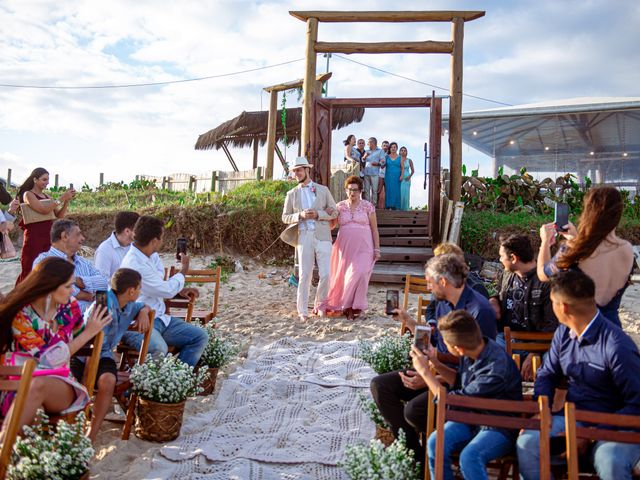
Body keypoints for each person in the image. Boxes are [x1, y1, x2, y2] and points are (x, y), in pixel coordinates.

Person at [370, 254, 498, 468]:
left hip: (462, 383)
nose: (428, 287)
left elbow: (476, 365)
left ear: (443, 282)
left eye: (430, 282)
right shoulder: (443, 302)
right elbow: (435, 343)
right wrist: (409, 322)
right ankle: (415, 457)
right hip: (436, 369)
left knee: (414, 411)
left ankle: (439, 458)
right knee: (381, 385)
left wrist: (430, 376)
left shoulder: (479, 309)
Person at [517, 270, 640, 480]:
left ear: (562, 307)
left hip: (617, 427)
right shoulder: (563, 333)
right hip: (572, 419)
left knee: (610, 459)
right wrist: (543, 408)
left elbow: (636, 403)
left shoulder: (617, 346)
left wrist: (593, 432)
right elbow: (547, 374)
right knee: (527, 443)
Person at [0, 257, 111, 443]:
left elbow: (75, 343)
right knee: (35, 416)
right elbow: (49, 358)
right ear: (50, 287)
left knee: (38, 385)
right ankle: (18, 464)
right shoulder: (23, 314)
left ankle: (3, 446)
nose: (73, 291)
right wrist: (88, 332)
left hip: (59, 383)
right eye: (68, 286)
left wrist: (90, 330)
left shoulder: (70, 308)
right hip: (15, 384)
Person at [410, 310, 522, 480]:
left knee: (470, 457)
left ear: (458, 349)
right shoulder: (476, 348)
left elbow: (452, 402)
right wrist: (436, 362)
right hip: (471, 418)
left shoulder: (495, 370)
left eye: (445, 343)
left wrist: (425, 373)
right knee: (435, 443)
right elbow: (459, 382)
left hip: (498, 426)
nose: (444, 346)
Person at [72, 267, 150, 443]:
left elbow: (144, 305)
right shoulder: (102, 304)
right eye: (139, 288)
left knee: (108, 380)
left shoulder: (128, 305)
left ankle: (92, 434)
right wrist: (87, 379)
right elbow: (92, 343)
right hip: (82, 353)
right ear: (131, 291)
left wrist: (144, 312)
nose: (140, 292)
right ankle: (74, 428)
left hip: (103, 353)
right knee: (76, 385)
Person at [537, 186, 634, 327]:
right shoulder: (627, 249)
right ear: (618, 213)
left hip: (580, 330)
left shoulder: (573, 248)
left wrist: (545, 242)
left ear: (588, 211)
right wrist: (575, 239)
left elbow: (543, 274)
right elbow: (600, 259)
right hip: (611, 329)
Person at [120, 215, 208, 366]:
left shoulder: (150, 256)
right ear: (154, 241)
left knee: (199, 337)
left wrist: (179, 289)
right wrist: (184, 270)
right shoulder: (135, 263)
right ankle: (150, 387)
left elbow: (159, 285)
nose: (162, 241)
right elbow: (165, 290)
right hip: (138, 323)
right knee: (159, 348)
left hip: (159, 318)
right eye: (161, 238)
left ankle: (177, 381)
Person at [492, 234, 558, 378]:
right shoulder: (508, 274)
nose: (500, 260)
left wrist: (534, 352)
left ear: (514, 258)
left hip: (541, 345)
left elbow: (553, 327)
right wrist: (494, 301)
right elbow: (499, 295)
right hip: (506, 340)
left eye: (502, 256)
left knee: (552, 364)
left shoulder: (546, 282)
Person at [281, 157, 338, 321]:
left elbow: (334, 211)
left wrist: (319, 214)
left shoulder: (323, 190)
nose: (297, 173)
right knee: (305, 275)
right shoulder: (291, 194)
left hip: (323, 236)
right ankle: (302, 310)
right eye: (295, 170)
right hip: (304, 236)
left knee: (326, 274)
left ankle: (320, 305)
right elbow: (284, 217)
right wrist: (300, 215)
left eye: (299, 170)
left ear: (307, 170)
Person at [319, 176, 380, 320]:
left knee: (360, 273)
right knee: (345, 277)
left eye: (355, 190)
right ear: (346, 190)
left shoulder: (368, 206)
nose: (352, 193)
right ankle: (349, 307)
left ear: (361, 191)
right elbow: (331, 226)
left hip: (364, 246)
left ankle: (357, 305)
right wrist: (327, 214)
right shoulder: (339, 206)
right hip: (344, 247)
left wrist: (377, 248)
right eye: (350, 190)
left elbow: (375, 229)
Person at [15, 168, 75, 284]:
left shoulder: (46, 196)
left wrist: (66, 201)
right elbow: (43, 210)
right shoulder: (28, 194)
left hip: (48, 236)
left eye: (48, 179)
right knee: (30, 268)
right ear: (35, 180)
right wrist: (61, 198)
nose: (47, 182)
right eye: (44, 179)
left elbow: (59, 215)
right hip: (34, 237)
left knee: (45, 268)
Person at [33, 219, 109, 312]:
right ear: (64, 236)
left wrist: (78, 280)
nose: (83, 238)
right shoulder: (43, 261)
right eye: (78, 234)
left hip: (94, 320)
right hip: (61, 323)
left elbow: (104, 283)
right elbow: (59, 292)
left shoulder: (84, 262)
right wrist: (90, 296)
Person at [94, 211, 140, 279]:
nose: (142, 231)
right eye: (139, 228)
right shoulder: (104, 250)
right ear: (127, 231)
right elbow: (102, 282)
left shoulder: (138, 246)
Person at [362, 137, 385, 205]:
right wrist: (364, 157)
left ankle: (374, 205)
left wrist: (378, 163)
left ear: (373, 143)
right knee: (366, 190)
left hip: (375, 173)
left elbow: (383, 162)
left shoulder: (380, 151)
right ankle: (367, 205)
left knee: (374, 190)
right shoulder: (367, 151)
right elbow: (363, 160)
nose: (368, 144)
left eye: (369, 142)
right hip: (366, 172)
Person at [384, 142, 402, 210]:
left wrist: (401, 176)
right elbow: (383, 165)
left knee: (396, 190)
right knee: (388, 190)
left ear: (396, 148)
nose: (393, 148)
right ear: (390, 148)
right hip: (388, 176)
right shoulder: (387, 156)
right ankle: (388, 206)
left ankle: (396, 206)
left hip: (397, 176)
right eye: (391, 147)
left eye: (394, 147)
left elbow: (402, 168)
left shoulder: (400, 157)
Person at [399, 146, 414, 211]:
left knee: (406, 193)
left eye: (404, 150)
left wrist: (409, 176)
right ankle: (399, 208)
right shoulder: (398, 159)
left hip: (407, 179)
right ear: (399, 152)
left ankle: (406, 208)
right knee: (400, 193)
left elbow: (413, 171)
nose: (403, 151)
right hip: (400, 178)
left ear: (406, 152)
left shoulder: (409, 160)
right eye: (402, 150)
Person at [377, 140, 389, 209]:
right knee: (378, 191)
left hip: (387, 175)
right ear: (381, 146)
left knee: (387, 191)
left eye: (387, 146)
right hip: (379, 174)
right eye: (384, 146)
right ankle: (377, 206)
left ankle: (386, 206)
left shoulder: (388, 156)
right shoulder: (378, 154)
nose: (385, 147)